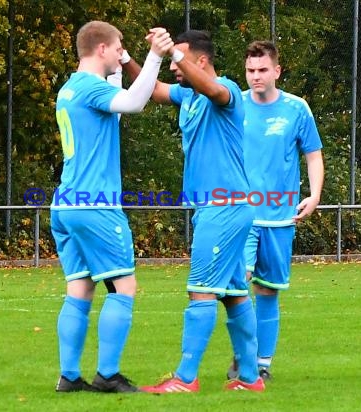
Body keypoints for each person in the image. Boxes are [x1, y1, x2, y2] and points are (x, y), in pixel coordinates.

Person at [124, 29, 265, 393]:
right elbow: (152, 90)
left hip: (224, 207)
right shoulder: (187, 94)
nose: (174, 67)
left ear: (200, 61)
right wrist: (126, 59)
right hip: (219, 208)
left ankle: (185, 378)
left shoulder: (228, 89)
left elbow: (214, 90)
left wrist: (174, 53)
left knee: (200, 291)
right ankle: (250, 379)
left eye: (179, 60)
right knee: (234, 294)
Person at [51, 21, 174, 393]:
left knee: (80, 288)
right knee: (125, 286)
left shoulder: (71, 88)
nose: (121, 50)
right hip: (96, 204)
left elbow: (116, 110)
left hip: (66, 203)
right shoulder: (89, 87)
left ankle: (69, 377)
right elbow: (135, 104)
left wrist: (121, 69)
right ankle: (108, 375)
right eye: (118, 46)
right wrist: (154, 56)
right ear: (101, 47)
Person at [227, 40, 324, 382]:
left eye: (262, 70)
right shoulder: (233, 103)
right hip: (241, 214)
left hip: (281, 217)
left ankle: (262, 363)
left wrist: (314, 195)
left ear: (277, 71)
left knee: (267, 291)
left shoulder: (297, 109)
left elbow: (313, 154)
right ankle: (243, 355)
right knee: (239, 284)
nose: (256, 76)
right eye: (250, 70)